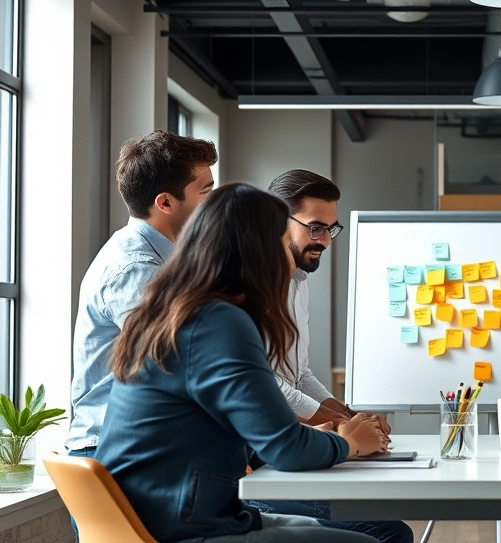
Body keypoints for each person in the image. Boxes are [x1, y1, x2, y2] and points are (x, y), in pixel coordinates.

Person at [97, 183, 389, 543]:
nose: (288, 257)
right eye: (284, 244)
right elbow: (285, 450)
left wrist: (316, 435)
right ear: (259, 253)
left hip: (165, 513)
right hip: (184, 526)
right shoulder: (217, 323)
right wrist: (349, 443)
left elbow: (262, 434)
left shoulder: (174, 311)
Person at [249, 169, 411, 543]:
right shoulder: (250, 288)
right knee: (386, 531)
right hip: (256, 464)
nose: (325, 240)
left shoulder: (298, 285)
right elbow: (266, 383)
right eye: (315, 227)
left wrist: (352, 418)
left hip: (275, 453)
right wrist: (347, 430)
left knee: (384, 521)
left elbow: (298, 374)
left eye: (331, 229)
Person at [67, 130, 217, 459]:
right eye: (206, 193)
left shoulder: (161, 260)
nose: (215, 205)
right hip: (115, 452)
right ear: (165, 202)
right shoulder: (138, 269)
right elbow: (179, 363)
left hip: (133, 447)